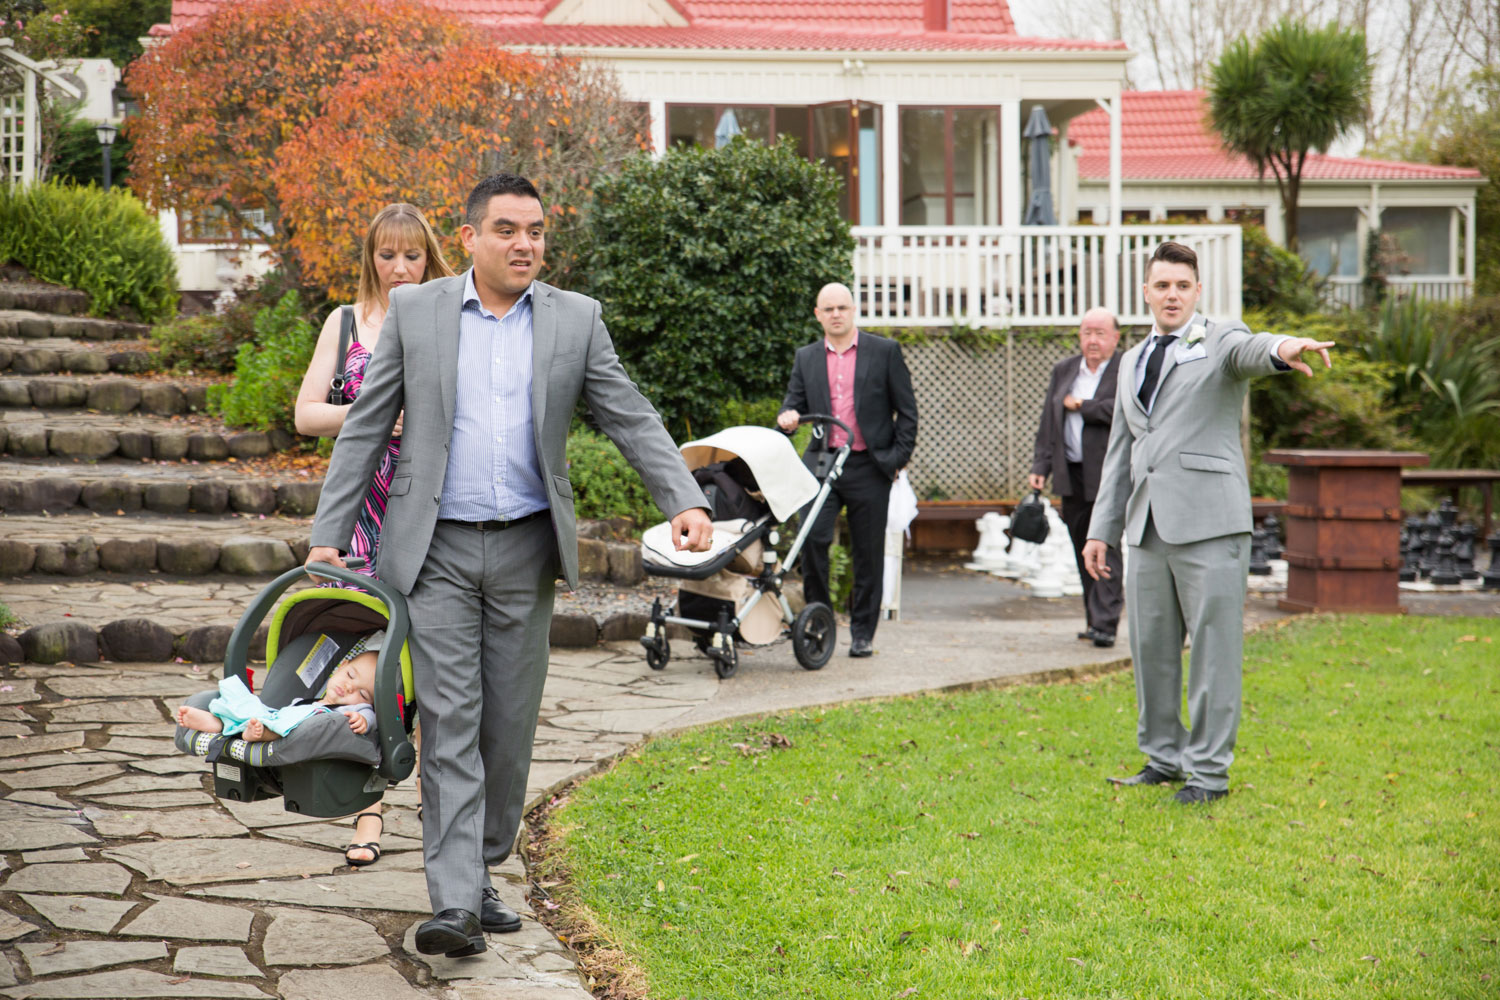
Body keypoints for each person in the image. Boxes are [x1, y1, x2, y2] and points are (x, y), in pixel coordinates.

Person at [304, 173, 712, 958]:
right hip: (435, 549)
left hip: (527, 547)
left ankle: (483, 867)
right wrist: (333, 529)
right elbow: (366, 425)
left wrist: (681, 498)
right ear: (468, 238)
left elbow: (627, 411)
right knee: (452, 718)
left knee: (509, 727)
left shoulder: (575, 320)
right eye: (507, 230)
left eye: (536, 231)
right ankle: (455, 901)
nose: (525, 244)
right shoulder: (419, 313)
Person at [1082, 241, 1333, 805]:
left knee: (1214, 651)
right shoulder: (1128, 362)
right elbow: (1120, 454)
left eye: (1182, 286)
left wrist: (1287, 347)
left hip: (1211, 526)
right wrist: (1101, 529)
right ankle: (1163, 757)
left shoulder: (1218, 339)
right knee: (1151, 649)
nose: (1172, 294)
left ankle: (1209, 774)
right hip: (1146, 530)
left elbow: (1255, 350)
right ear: (1145, 293)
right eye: (1162, 285)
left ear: (1197, 292)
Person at [294, 203, 455, 867]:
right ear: (371, 258)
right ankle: (368, 813)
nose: (399, 268)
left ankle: (441, 808)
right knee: (367, 663)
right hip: (362, 511)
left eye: (411, 255)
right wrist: (369, 413)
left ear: (428, 258)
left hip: (430, 514)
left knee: (432, 665)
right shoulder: (344, 323)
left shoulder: (445, 319)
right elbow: (306, 414)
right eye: (387, 255)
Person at [777, 282, 918, 658]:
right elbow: (793, 403)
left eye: (842, 307)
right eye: (829, 309)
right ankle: (820, 622)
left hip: (869, 466)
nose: (836, 314)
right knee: (812, 540)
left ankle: (862, 632)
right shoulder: (806, 357)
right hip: (823, 464)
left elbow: (907, 411)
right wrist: (787, 417)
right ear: (818, 315)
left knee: (867, 552)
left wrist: (895, 459)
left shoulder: (884, 351)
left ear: (853, 310)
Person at [1028, 307, 1125, 648]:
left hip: (1110, 476)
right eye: (1087, 332)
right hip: (1071, 473)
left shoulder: (1126, 368)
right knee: (1082, 547)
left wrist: (1082, 406)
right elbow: (1048, 421)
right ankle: (1093, 618)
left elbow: (1123, 410)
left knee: (1106, 547)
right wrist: (1041, 467)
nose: (1093, 340)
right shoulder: (1064, 370)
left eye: (1100, 333)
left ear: (1115, 337)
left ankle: (1107, 623)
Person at [174, 639, 380, 743]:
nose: (350, 687)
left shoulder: (356, 710)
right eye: (350, 676)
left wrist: (363, 720)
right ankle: (217, 720)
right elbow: (277, 714)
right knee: (249, 704)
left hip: (295, 734)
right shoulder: (308, 701)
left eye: (363, 694)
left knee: (275, 724)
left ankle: (260, 733)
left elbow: (370, 718)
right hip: (275, 717)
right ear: (341, 666)